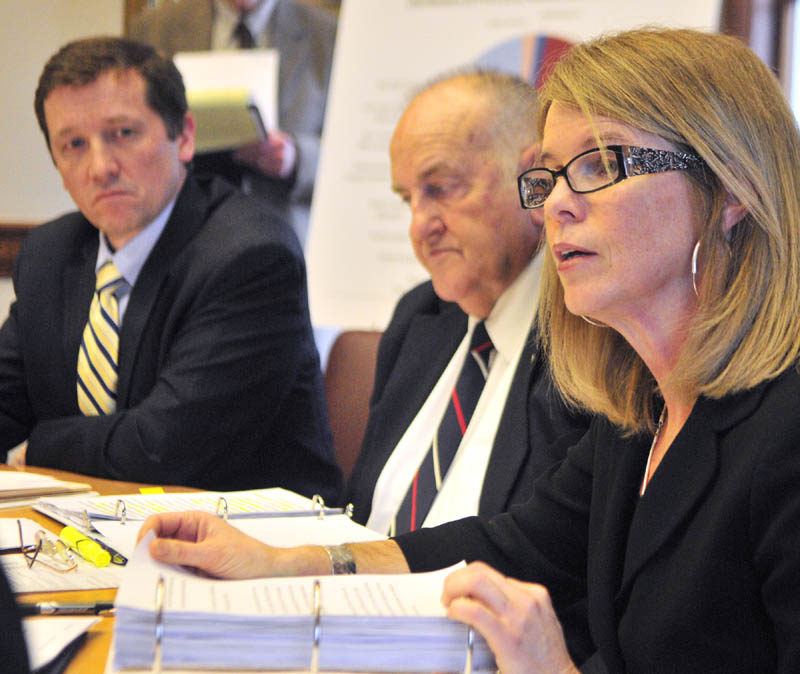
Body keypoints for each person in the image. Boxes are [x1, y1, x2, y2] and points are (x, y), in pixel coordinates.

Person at [140, 27, 800, 672]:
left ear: (731, 189)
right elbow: (513, 544)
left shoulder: (784, 432)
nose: (557, 206)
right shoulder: (640, 410)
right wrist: (287, 561)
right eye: (554, 178)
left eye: (602, 164)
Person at [1, 37, 340, 503]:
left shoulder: (249, 255)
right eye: (74, 144)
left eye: (123, 134)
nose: (100, 167)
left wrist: (33, 448)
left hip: (261, 548)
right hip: (99, 535)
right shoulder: (50, 253)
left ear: (184, 137)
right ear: (57, 164)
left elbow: (163, 450)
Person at [344, 71, 590, 535]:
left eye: (440, 188)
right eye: (408, 200)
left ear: (534, 179)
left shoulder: (588, 335)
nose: (420, 227)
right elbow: (359, 517)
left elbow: (551, 556)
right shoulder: (420, 317)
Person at [129, 0, 337, 247]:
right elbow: (131, 129)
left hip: (286, 240)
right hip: (180, 238)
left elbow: (355, 151)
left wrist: (296, 157)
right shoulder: (154, 28)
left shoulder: (328, 33)